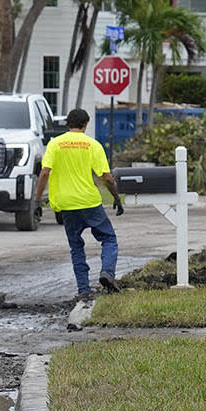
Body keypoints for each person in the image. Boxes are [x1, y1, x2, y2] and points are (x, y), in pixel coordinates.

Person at [34, 107, 122, 305]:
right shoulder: (92, 145)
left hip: (66, 204)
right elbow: (107, 177)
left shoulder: (55, 144)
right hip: (89, 201)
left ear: (67, 124)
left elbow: (45, 173)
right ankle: (107, 272)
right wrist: (116, 197)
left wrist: (37, 200)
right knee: (109, 239)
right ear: (86, 124)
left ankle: (84, 290)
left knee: (76, 247)